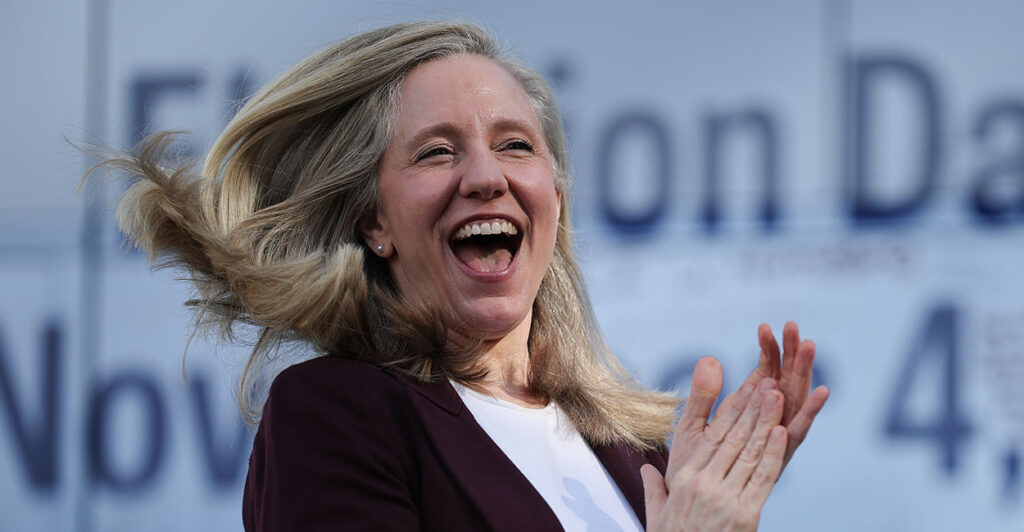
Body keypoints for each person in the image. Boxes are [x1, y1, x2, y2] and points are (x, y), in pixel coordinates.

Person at [102, 20, 828, 531]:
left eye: (515, 146)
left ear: (557, 194)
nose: (485, 176)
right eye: (436, 153)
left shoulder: (633, 458)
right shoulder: (333, 415)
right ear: (374, 222)